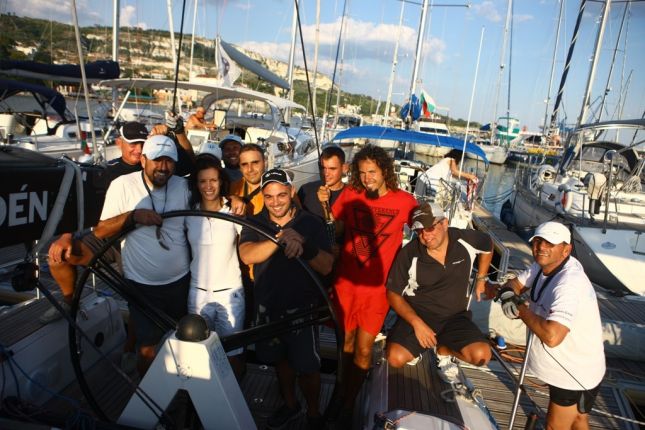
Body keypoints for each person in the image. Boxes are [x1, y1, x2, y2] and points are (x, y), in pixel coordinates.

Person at [327, 144, 418, 425]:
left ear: (385, 171)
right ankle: (340, 393)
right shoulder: (351, 194)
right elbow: (337, 227)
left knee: (364, 348)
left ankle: (349, 401)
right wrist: (326, 208)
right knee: (345, 344)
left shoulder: (405, 201)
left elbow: (425, 230)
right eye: (363, 172)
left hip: (377, 289)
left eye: (373, 172)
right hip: (346, 283)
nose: (367, 178)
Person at [238, 169, 333, 429]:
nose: (276, 202)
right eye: (269, 196)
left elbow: (327, 266)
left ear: (291, 191)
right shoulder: (254, 222)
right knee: (280, 360)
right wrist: (280, 239)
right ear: (263, 196)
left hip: (303, 310)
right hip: (268, 308)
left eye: (281, 194)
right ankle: (291, 405)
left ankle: (313, 414)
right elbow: (247, 255)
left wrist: (304, 243)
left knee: (309, 367)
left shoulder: (312, 223)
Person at [495, 221, 605, 430]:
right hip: (583, 365)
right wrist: (508, 294)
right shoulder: (542, 265)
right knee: (579, 419)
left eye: (550, 243)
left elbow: (552, 336)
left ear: (566, 249)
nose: (541, 247)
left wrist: (520, 309)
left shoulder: (569, 284)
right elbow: (515, 284)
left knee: (555, 426)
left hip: (572, 370)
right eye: (537, 241)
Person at [97, 134, 191, 375]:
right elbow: (101, 230)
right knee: (147, 348)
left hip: (181, 282)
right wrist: (134, 216)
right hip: (142, 285)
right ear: (143, 160)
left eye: (169, 161)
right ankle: (147, 393)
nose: (163, 167)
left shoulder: (182, 185)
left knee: (182, 342)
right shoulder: (122, 185)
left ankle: (180, 388)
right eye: (157, 160)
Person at [44, 121, 149, 324]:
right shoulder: (105, 172)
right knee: (58, 256)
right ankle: (69, 302)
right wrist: (66, 236)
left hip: (141, 240)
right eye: (133, 144)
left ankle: (135, 339)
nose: (139, 149)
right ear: (119, 143)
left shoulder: (155, 167)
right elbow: (80, 204)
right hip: (108, 237)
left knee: (138, 299)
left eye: (143, 144)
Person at [385, 202, 494, 383]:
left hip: (455, 317)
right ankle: (418, 348)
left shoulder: (464, 240)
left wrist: (481, 278)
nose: (425, 235)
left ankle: (443, 350)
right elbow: (393, 293)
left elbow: (488, 244)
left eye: (430, 228)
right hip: (419, 315)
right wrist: (417, 324)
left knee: (481, 356)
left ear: (444, 223)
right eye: (419, 231)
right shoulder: (409, 253)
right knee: (395, 358)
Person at [185, 154, 245, 380]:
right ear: (196, 184)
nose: (208, 186)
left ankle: (233, 393)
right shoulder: (188, 213)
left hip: (231, 293)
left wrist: (235, 198)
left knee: (233, 353)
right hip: (197, 292)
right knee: (197, 351)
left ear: (221, 181)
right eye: (203, 181)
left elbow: (248, 243)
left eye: (213, 180)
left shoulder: (234, 211)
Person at [297, 145, 347, 221]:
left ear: (344, 168)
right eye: (323, 168)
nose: (326, 173)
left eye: (332, 169)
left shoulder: (351, 195)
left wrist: (325, 206)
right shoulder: (305, 190)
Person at [229, 143, 266, 216]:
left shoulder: (278, 188)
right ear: (240, 167)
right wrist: (232, 197)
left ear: (264, 163)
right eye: (244, 164)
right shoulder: (232, 188)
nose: (250, 169)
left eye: (255, 162)